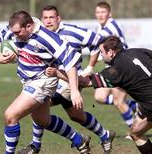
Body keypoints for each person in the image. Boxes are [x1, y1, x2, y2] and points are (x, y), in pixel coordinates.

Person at [17, 5, 115, 154]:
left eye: (52, 17)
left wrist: (90, 66)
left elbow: (98, 41)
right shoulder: (39, 35)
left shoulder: (72, 31)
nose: (48, 21)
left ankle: (36, 145)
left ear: (58, 18)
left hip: (69, 79)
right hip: (50, 79)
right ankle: (105, 134)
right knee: (76, 116)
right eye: (45, 18)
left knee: (38, 102)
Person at [0, 10, 92, 154]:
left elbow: (70, 62)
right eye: (13, 32)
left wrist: (75, 91)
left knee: (11, 115)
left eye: (17, 33)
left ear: (28, 26)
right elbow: (0, 38)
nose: (14, 36)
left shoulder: (47, 37)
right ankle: (79, 140)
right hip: (28, 81)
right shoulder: (14, 29)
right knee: (42, 120)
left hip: (43, 81)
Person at [84, 36, 152, 154]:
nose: (100, 56)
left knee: (136, 134)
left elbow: (85, 82)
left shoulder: (116, 70)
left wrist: (59, 74)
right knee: (135, 133)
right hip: (147, 105)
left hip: (150, 105)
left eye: (101, 52)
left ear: (110, 52)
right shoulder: (138, 51)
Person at [82, 1, 137, 131]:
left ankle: (134, 131)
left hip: (123, 67)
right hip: (112, 67)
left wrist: (90, 65)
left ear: (109, 13)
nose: (100, 15)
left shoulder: (110, 28)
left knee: (119, 101)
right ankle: (134, 106)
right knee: (100, 97)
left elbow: (97, 44)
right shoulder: (102, 27)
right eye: (98, 12)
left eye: (103, 12)